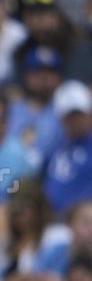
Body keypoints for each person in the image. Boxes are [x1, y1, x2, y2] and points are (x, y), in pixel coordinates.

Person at [43, 81, 92, 213]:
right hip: (50, 218)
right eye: (69, 116)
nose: (75, 121)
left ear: (89, 113)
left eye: (78, 114)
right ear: (61, 119)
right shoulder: (54, 147)